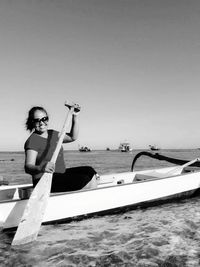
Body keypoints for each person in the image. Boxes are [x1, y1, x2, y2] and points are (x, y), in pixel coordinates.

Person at [24, 104, 98, 192]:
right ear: (31, 122)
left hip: (60, 174)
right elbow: (28, 167)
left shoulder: (53, 134)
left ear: (47, 119)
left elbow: (72, 137)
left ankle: (92, 197)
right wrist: (41, 168)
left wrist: (75, 116)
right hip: (43, 180)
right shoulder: (33, 140)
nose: (41, 123)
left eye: (44, 119)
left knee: (89, 171)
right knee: (84, 179)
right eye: (37, 120)